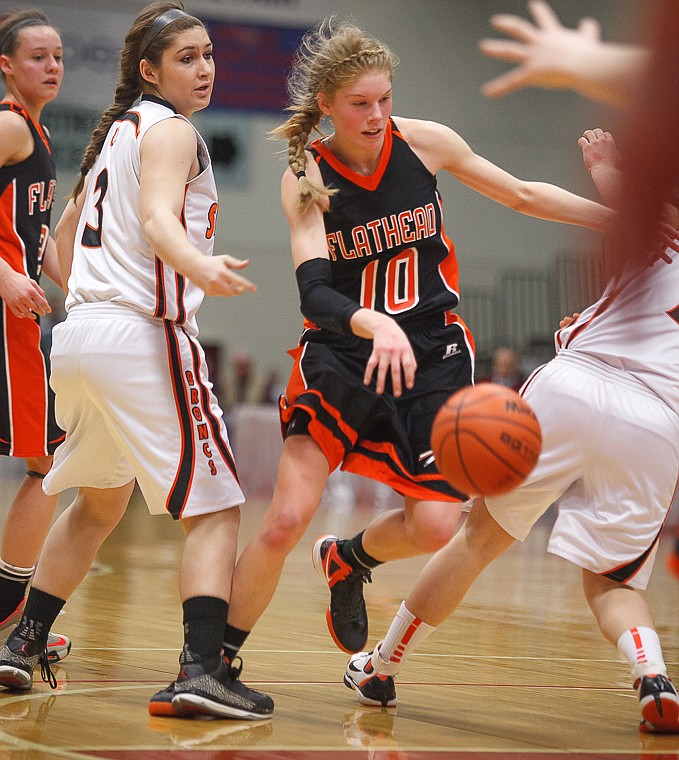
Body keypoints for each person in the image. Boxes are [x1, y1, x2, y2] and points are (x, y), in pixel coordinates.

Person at [220, 16, 622, 670]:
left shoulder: (425, 142)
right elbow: (314, 291)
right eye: (360, 104)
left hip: (430, 357)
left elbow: (518, 194)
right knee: (284, 518)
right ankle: (214, 665)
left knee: (437, 525)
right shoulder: (306, 175)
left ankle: (347, 558)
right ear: (327, 105)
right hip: (343, 355)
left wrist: (610, 215)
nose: (377, 114)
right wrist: (369, 322)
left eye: (384, 99)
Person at [344, 129, 679, 735]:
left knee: (475, 539)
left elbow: (624, 206)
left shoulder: (663, 221)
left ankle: (381, 666)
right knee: (612, 582)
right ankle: (652, 676)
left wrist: (604, 162)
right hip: (658, 420)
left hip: (576, 385)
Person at [0, 1, 273, 722]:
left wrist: (89, 300)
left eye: (209, 53)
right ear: (149, 71)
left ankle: (21, 644)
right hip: (142, 337)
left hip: (83, 336)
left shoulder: (112, 134)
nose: (206, 67)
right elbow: (157, 219)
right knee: (215, 508)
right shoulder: (171, 131)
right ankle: (200, 670)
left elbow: (58, 238)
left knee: (98, 503)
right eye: (187, 57)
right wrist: (197, 265)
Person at [0, 8, 71, 664]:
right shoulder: (8, 126)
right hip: (5, 316)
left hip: (23, 315)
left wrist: (78, 288)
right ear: (6, 65)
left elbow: (38, 238)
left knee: (44, 465)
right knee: (45, 466)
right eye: (37, 57)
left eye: (57, 56)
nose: (51, 66)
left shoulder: (37, 136)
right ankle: (9, 615)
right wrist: (3, 274)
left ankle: (12, 612)